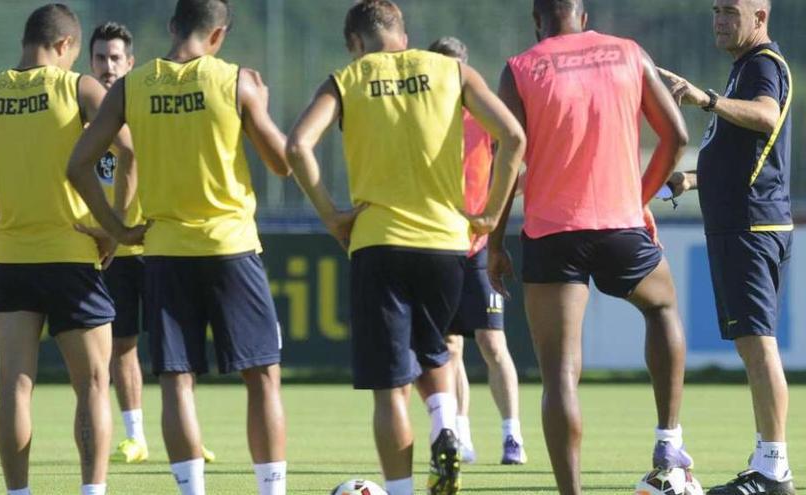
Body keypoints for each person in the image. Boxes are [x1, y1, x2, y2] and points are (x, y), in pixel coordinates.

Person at [286, 2, 525, 494]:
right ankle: (445, 426)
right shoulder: (450, 70)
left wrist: (331, 214)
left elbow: (297, 146)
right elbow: (514, 136)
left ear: (356, 43)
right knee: (433, 350)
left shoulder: (347, 79)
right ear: (404, 34)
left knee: (389, 385)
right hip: (446, 245)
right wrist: (489, 213)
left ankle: (401, 490)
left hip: (379, 243)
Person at [67, 1, 290, 494]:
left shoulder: (132, 85)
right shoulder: (236, 81)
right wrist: (262, 106)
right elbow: (282, 163)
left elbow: (78, 164)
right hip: (231, 246)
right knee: (263, 376)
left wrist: (117, 229)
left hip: (164, 250)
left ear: (172, 28)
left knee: (176, 379)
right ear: (219, 36)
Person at [488, 1, 694, 494]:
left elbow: (506, 164)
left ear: (538, 20)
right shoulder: (628, 52)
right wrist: (638, 197)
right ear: (582, 16)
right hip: (621, 225)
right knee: (662, 307)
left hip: (553, 233)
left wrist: (492, 244)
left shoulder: (520, 69)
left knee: (559, 372)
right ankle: (668, 438)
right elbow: (677, 136)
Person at [0, 5, 132, 495]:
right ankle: (92, 491)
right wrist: (114, 228)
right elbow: (129, 148)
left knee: (15, 386)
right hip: (72, 256)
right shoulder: (78, 87)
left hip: (11, 260)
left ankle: (18, 493)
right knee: (94, 385)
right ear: (64, 46)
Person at [657, 0, 795, 493]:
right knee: (752, 345)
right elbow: (743, 155)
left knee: (759, 347)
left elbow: (766, 115)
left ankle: (774, 469)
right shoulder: (745, 67)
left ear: (759, 17)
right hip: (743, 225)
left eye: (730, 11)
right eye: (716, 10)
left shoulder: (762, 65)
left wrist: (706, 99)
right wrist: (690, 180)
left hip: (751, 228)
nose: (719, 20)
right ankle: (768, 463)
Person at [87, 20, 216, 466]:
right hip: (109, 249)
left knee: (177, 347)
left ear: (131, 62)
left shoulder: (147, 100)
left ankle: (189, 435)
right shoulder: (82, 109)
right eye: (101, 57)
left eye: (116, 57)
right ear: (89, 60)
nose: (108, 66)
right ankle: (135, 436)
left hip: (160, 240)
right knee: (122, 344)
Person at [427, 36, 526, 467]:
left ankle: (512, 435)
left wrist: (491, 211)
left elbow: (515, 164)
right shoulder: (422, 119)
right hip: (438, 243)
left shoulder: (484, 117)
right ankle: (460, 433)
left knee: (492, 343)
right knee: (449, 347)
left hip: (477, 245)